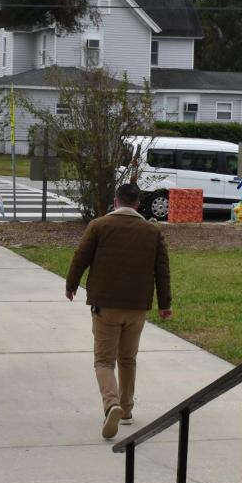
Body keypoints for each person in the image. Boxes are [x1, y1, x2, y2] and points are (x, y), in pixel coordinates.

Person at [65, 183, 173, 440]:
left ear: (116, 201)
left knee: (104, 360)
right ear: (138, 204)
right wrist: (165, 303)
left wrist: (71, 285)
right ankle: (125, 410)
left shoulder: (99, 226)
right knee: (128, 358)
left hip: (106, 305)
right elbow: (162, 269)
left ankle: (110, 403)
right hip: (137, 307)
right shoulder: (152, 231)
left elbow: (81, 257)